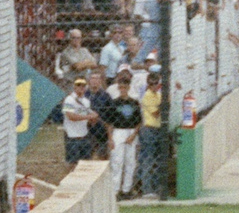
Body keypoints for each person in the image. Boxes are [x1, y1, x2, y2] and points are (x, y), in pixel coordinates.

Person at [103, 69, 143, 199]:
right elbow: (110, 122)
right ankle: (115, 190)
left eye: (125, 87)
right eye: (120, 87)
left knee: (130, 161)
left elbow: (139, 121)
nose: (122, 90)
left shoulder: (134, 102)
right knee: (117, 160)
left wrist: (133, 135)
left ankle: (127, 189)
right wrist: (110, 138)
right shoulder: (114, 103)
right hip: (118, 131)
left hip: (131, 130)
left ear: (128, 88)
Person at [137, 63, 165, 198]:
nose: (154, 86)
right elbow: (155, 113)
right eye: (152, 84)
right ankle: (147, 189)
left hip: (157, 129)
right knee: (148, 159)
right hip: (149, 128)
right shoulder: (148, 96)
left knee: (157, 159)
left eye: (156, 83)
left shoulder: (158, 95)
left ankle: (155, 187)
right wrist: (164, 104)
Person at [60, 77, 98, 164]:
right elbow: (70, 116)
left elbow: (88, 119)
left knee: (85, 161)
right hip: (71, 135)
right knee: (72, 162)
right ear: (75, 87)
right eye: (79, 86)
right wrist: (89, 117)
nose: (81, 88)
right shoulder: (69, 100)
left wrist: (93, 118)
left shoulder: (86, 102)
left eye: (83, 86)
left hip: (84, 134)